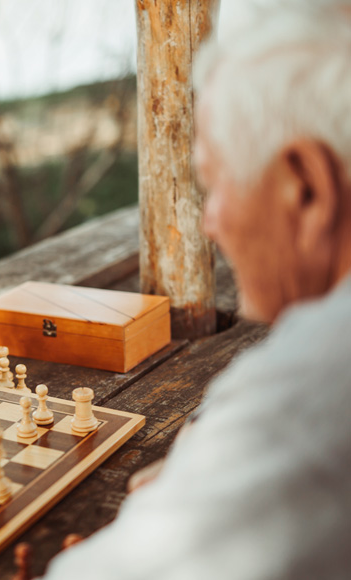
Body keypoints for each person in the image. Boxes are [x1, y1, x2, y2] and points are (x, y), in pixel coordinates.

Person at [45, 2, 351, 578]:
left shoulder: (307, 391)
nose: (209, 223)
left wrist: (200, 485)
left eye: (216, 184)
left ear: (307, 188)